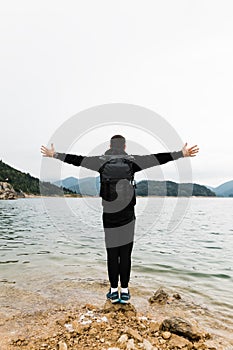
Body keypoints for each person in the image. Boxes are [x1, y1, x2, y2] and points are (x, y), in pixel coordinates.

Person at [41, 135, 199, 303]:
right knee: (125, 254)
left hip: (109, 215)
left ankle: (113, 291)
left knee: (112, 253)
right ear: (124, 147)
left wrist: (55, 155)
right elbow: (157, 159)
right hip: (128, 215)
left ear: (110, 145)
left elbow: (77, 160)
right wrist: (181, 153)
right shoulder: (132, 161)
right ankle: (124, 292)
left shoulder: (100, 161)